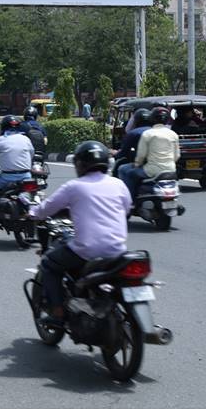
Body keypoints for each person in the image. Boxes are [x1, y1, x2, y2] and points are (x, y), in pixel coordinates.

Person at [29, 140, 131, 328]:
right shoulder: (119, 184)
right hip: (118, 251)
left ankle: (58, 313)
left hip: (87, 251)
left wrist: (33, 212)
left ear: (80, 164)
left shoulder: (74, 186)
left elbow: (46, 208)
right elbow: (125, 210)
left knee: (49, 264)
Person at [118, 106, 179, 199]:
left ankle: (130, 199)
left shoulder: (148, 134)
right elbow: (177, 156)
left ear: (152, 118)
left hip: (151, 170)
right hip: (171, 170)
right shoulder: (173, 134)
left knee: (126, 171)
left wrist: (136, 165)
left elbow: (141, 156)